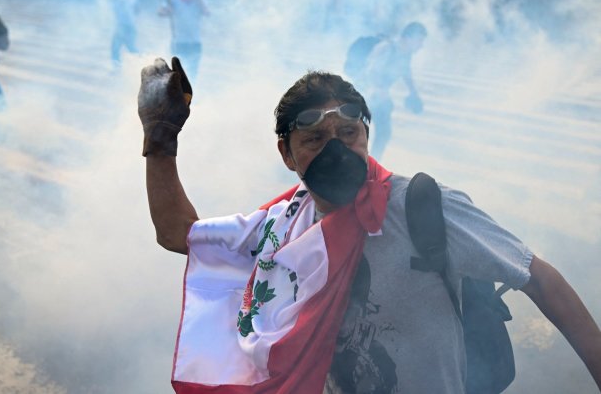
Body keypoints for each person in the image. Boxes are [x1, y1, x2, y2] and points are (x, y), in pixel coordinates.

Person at [137, 57, 601, 393]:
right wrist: (160, 139)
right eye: (315, 139)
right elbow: (178, 233)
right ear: (286, 154)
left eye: (348, 134)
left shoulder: (421, 205)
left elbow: (537, 275)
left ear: (366, 136)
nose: (335, 149)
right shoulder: (283, 226)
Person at [346, 21, 427, 159]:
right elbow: (371, 71)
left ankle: (371, 165)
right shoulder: (387, 48)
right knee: (356, 132)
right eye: (419, 40)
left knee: (384, 133)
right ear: (408, 37)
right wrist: (379, 90)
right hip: (364, 95)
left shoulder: (405, 54)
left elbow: (406, 72)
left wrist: (413, 93)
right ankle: (350, 163)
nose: (421, 45)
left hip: (378, 97)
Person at [158, 0, 209, 81]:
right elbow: (160, 12)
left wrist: (200, 3)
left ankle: (189, 95)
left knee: (192, 74)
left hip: (195, 42)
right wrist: (169, 11)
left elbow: (207, 13)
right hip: (179, 42)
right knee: (177, 73)